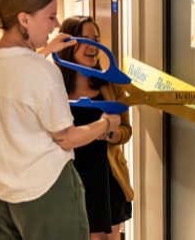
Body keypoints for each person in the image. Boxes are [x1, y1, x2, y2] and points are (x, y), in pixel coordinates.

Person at [0, 0, 122, 240]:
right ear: (24, 19)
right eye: (51, 16)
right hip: (46, 192)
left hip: (2, 195)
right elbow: (66, 138)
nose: (57, 24)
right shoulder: (44, 73)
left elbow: (19, 76)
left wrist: (42, 50)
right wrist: (107, 123)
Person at [56, 17, 133, 240]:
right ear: (68, 44)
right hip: (71, 181)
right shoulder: (53, 86)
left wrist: (108, 133)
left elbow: (126, 130)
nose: (93, 47)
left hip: (108, 180)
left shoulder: (110, 85)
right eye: (85, 40)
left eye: (96, 40)